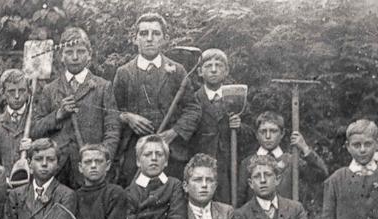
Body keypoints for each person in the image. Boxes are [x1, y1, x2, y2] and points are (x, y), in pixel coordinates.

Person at [113, 12, 201, 185]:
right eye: (144, 33)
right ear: (135, 38)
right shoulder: (123, 73)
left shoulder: (177, 70)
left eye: (156, 33)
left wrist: (174, 132)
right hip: (135, 153)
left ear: (165, 38)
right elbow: (112, 110)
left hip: (171, 153)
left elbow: (193, 108)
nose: (150, 39)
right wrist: (128, 117)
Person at [33, 27, 120, 188]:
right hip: (57, 168)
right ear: (61, 56)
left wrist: (102, 159)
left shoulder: (102, 87)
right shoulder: (50, 89)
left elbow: (112, 129)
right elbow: (36, 130)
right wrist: (58, 115)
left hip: (89, 168)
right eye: (69, 52)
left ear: (89, 54)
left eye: (80, 51)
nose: (75, 57)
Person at [189, 49, 242, 203]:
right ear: (199, 71)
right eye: (208, 65)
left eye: (218, 65)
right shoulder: (192, 100)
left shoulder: (236, 98)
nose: (213, 69)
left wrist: (239, 126)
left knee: (228, 204)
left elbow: (252, 133)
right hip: (201, 162)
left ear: (226, 71)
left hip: (229, 164)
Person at [0, 68, 32, 178]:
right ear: (3, 93)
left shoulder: (35, 120)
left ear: (28, 92)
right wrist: (2, 179)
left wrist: (32, 147)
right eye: (11, 91)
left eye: (22, 90)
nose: (17, 96)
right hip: (6, 184)